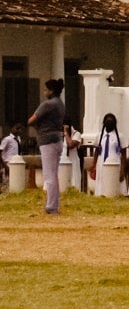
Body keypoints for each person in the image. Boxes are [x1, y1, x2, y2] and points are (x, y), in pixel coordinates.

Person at [27, 78, 66, 214]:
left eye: (46, 89)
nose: (44, 92)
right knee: (54, 175)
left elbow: (31, 120)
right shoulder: (60, 104)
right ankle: (54, 204)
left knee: (49, 175)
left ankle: (51, 206)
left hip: (47, 140)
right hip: (58, 139)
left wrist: (38, 126)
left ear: (51, 91)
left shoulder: (47, 104)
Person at [95, 113, 125, 192]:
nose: (109, 124)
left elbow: (123, 154)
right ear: (104, 123)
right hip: (102, 162)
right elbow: (96, 151)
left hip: (115, 162)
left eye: (111, 123)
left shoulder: (120, 136)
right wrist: (94, 166)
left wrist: (122, 169)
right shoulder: (99, 136)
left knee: (114, 181)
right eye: (107, 122)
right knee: (102, 182)